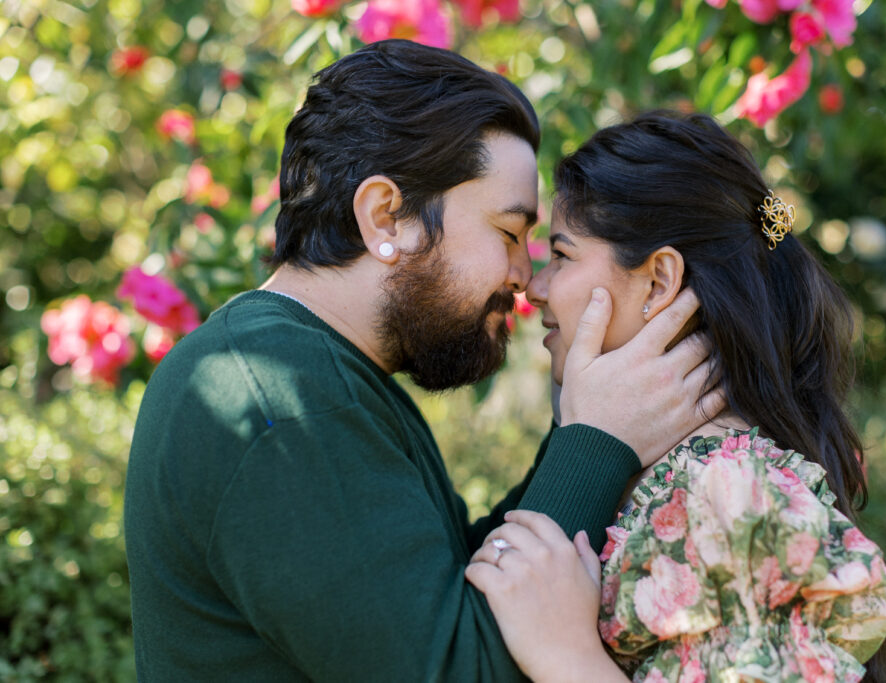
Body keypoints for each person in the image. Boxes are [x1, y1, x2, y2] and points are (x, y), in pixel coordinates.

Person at [123, 42, 725, 681]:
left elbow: (461, 584)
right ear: (388, 216)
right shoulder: (281, 402)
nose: (525, 277)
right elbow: (458, 667)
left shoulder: (324, 374)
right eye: (508, 232)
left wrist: (585, 428)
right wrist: (596, 443)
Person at [467, 111, 886, 682]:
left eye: (564, 255)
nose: (536, 286)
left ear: (659, 281)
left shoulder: (734, 496)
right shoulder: (658, 470)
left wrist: (567, 659)